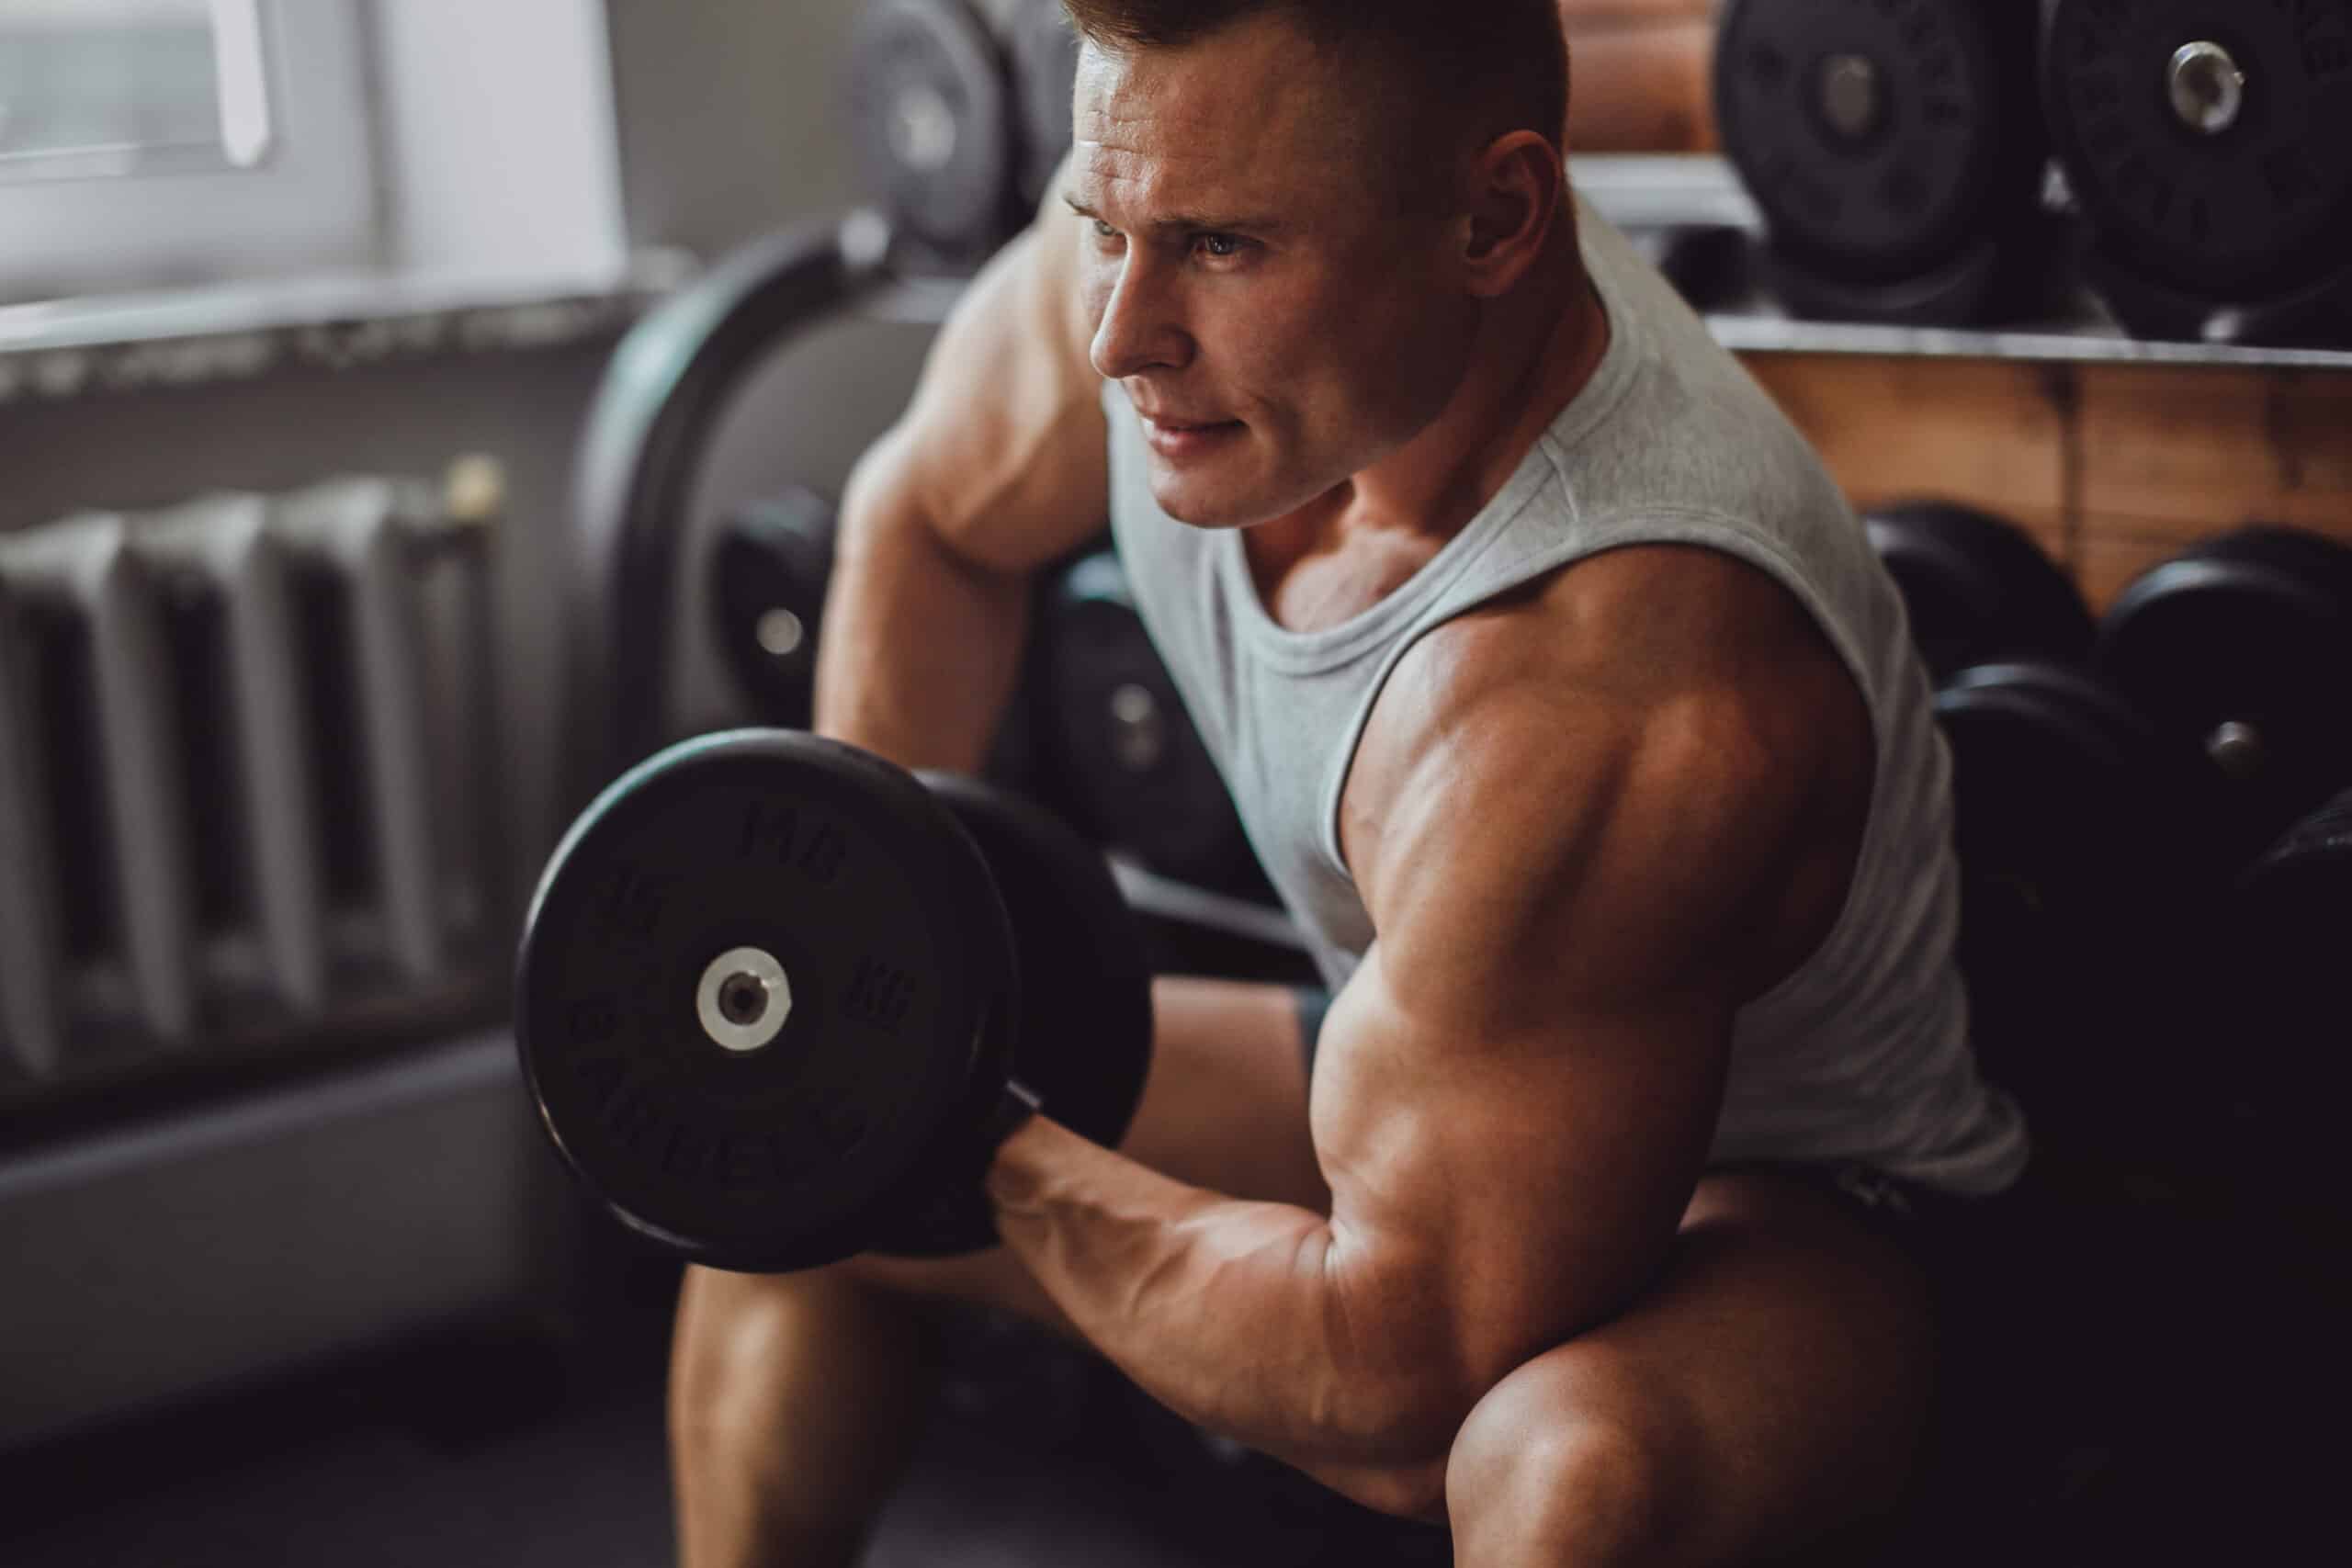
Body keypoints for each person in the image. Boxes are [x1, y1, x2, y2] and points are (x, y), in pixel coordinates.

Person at [670, 3, 2030, 1563]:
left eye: (1224, 247)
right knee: (764, 1128)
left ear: (1498, 218)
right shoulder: (1136, 282)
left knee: (1562, 1472)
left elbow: (1395, 1392)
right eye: (1104, 226)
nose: (1123, 334)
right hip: (1465, 1050)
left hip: (1809, 1202)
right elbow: (927, 521)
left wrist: (946, 1127)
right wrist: (870, 958)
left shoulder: (1606, 678)